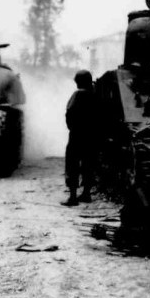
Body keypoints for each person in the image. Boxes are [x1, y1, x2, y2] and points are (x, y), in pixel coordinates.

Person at [63, 69, 98, 206]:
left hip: (77, 135)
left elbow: (69, 114)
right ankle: (86, 194)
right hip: (92, 136)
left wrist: (72, 128)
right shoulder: (95, 95)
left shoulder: (77, 95)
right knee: (89, 164)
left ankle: (72, 197)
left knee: (72, 165)